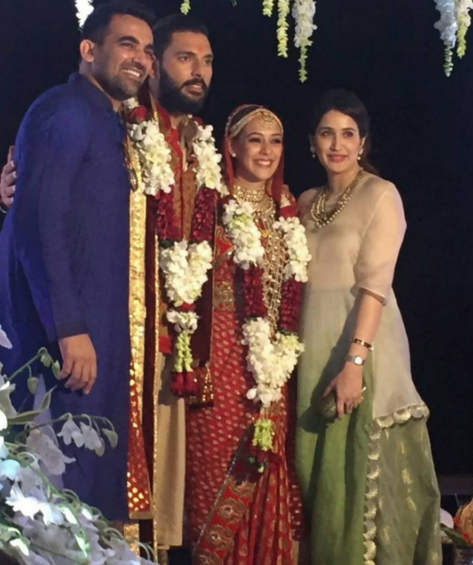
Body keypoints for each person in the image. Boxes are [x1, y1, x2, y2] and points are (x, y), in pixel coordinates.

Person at [0, 1, 155, 521]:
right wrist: (67, 326)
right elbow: (38, 222)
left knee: (84, 490)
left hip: (90, 331)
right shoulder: (65, 112)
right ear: (89, 49)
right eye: (127, 44)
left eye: (147, 50)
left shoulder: (106, 121)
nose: (140, 59)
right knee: (53, 496)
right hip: (58, 341)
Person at [296, 89, 442, 565]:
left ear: (363, 142)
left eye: (348, 134)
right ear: (312, 142)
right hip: (311, 351)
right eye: (326, 133)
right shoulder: (306, 202)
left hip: (361, 349)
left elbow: (375, 287)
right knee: (317, 481)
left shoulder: (381, 194)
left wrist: (355, 361)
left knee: (360, 486)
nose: (337, 144)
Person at [185, 104, 308, 565]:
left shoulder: (288, 210)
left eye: (275, 141)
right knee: (214, 470)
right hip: (221, 362)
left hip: (273, 367)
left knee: (270, 470)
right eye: (255, 140)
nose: (266, 151)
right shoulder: (210, 201)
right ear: (232, 147)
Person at [122, 14, 218, 556]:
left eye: (206, 61)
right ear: (154, 65)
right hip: (127, 327)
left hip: (177, 333)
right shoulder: (127, 126)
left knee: (166, 481)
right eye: (185, 58)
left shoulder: (201, 143)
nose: (198, 71)